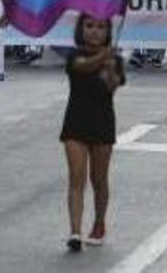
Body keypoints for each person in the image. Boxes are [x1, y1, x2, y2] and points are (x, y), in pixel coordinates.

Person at [61, 14, 125, 252]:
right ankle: (75, 231)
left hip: (102, 123)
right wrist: (103, 57)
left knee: (99, 179)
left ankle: (99, 223)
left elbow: (113, 86)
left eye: (100, 27)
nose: (95, 31)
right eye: (89, 26)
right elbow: (82, 67)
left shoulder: (113, 59)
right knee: (76, 177)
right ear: (81, 29)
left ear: (108, 31)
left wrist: (110, 69)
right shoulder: (74, 55)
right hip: (75, 124)